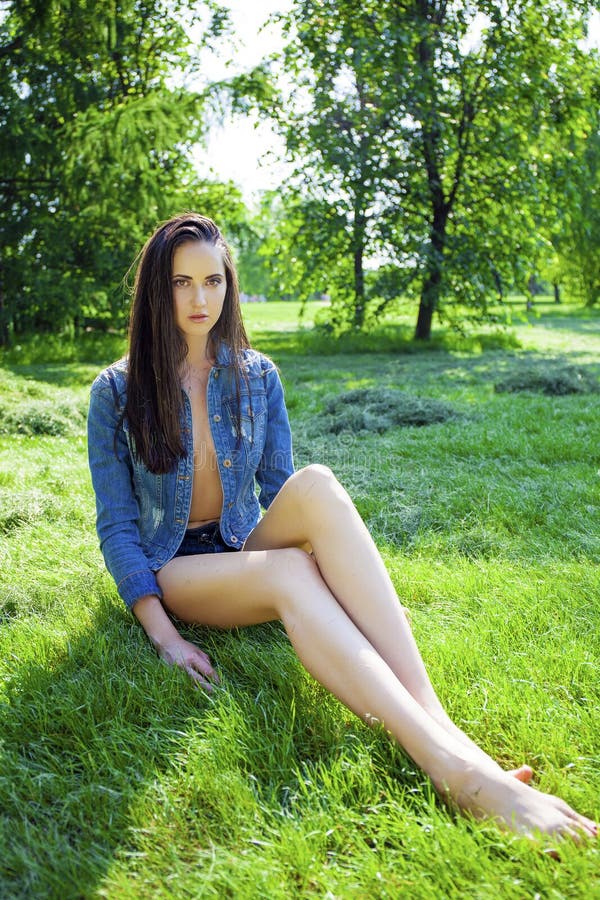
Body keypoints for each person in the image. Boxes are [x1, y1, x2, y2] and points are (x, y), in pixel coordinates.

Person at [87, 212, 597, 847]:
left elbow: (279, 489)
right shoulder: (117, 389)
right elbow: (117, 527)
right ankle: (456, 773)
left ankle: (442, 727)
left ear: (229, 285)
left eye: (213, 281)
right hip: (178, 563)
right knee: (288, 569)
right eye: (181, 282)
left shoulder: (257, 375)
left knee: (318, 483)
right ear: (157, 290)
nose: (199, 299)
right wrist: (164, 637)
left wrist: (329, 559)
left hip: (241, 540)